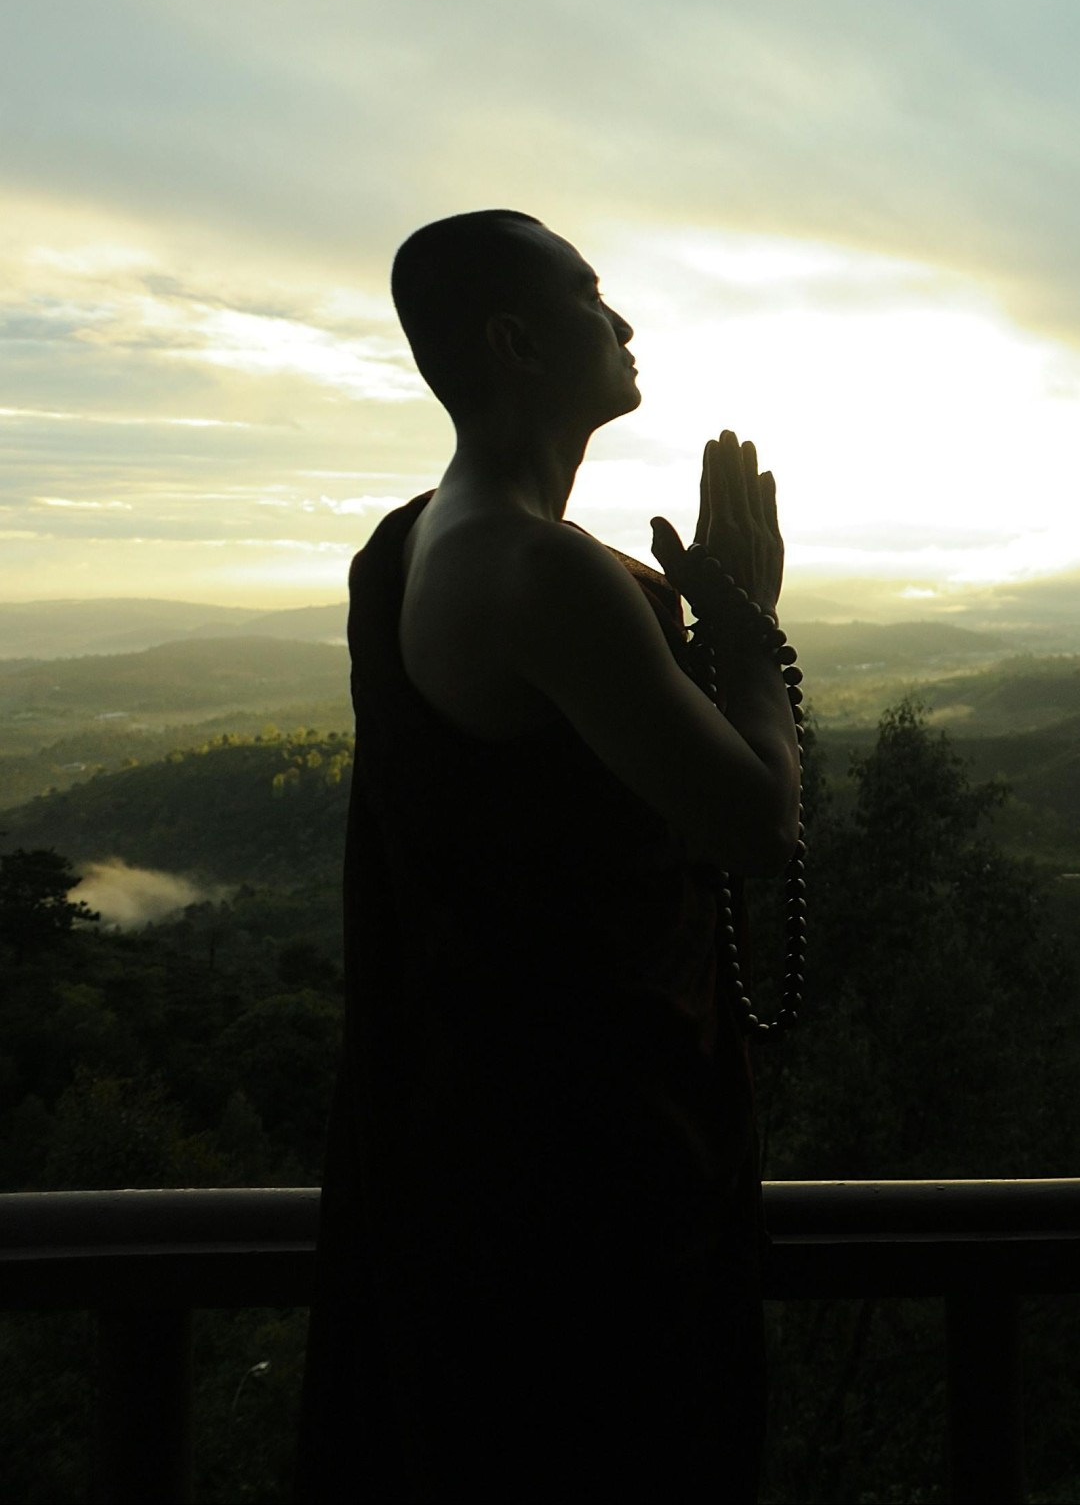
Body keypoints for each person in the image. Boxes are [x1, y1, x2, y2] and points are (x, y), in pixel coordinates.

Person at [293, 209, 800, 1503]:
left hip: (458, 1162)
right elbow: (750, 822)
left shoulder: (408, 548)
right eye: (591, 297)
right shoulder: (540, 573)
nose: (622, 322)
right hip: (584, 1198)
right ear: (516, 342)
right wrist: (749, 636)